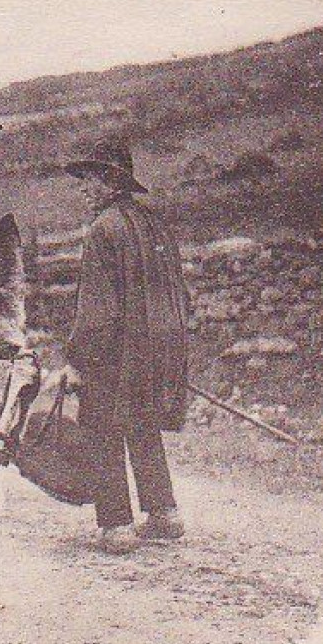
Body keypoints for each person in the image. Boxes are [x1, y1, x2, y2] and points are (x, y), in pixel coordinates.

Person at [60, 139, 190, 554]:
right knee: (143, 426)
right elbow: (179, 292)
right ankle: (164, 513)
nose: (81, 189)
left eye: (87, 180)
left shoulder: (103, 229)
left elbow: (97, 309)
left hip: (114, 353)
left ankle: (116, 525)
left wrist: (78, 358)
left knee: (101, 429)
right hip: (159, 348)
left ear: (108, 182)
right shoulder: (152, 222)